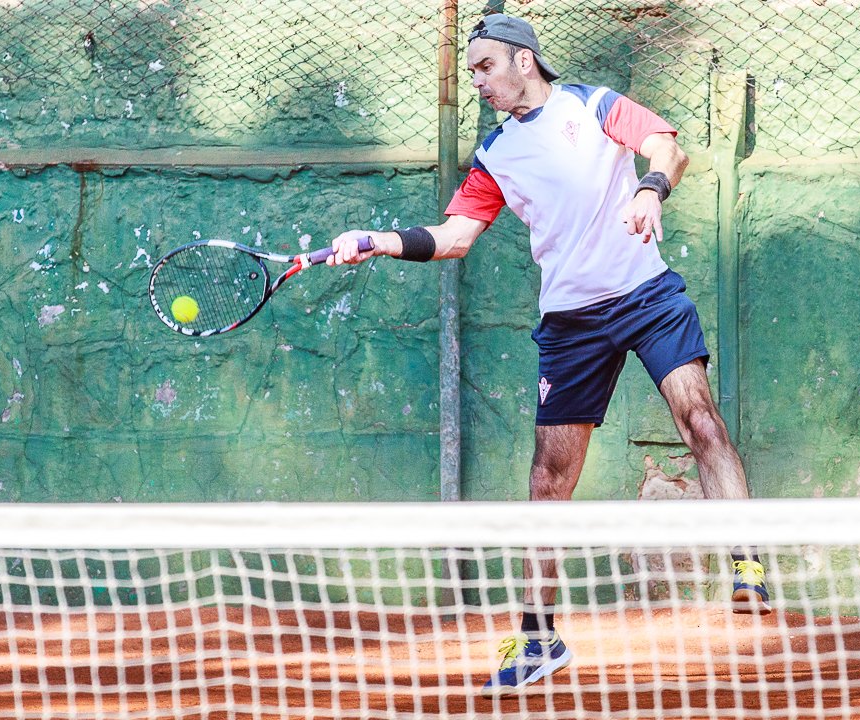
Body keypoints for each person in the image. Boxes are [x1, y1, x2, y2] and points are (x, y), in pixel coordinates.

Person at [327, 13, 770, 696]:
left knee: (700, 421)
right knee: (549, 480)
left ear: (524, 60)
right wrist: (378, 241)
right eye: (471, 72)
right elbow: (454, 236)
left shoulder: (593, 106)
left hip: (646, 295)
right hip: (571, 324)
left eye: (485, 67)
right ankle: (540, 638)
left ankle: (747, 564)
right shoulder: (496, 153)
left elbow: (666, 149)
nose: (478, 83)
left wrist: (649, 189)